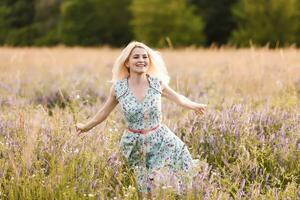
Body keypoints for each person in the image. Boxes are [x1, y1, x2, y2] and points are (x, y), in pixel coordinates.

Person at [75, 41, 207, 195]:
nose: (141, 60)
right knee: (144, 189)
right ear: (127, 63)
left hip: (161, 141)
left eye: (145, 57)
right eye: (136, 57)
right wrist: (86, 127)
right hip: (134, 145)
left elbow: (178, 99)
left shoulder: (156, 83)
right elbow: (103, 113)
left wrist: (194, 105)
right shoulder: (119, 88)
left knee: (168, 182)